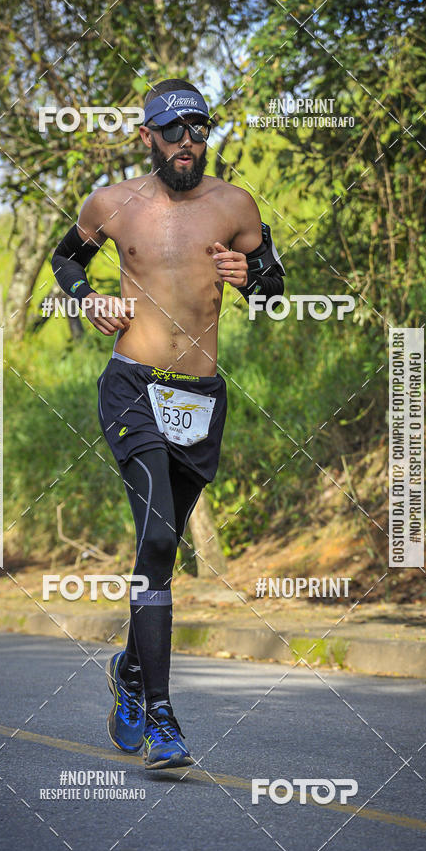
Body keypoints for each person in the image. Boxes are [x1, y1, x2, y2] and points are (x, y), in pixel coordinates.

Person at [51, 79, 284, 770]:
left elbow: (273, 284)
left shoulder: (235, 205)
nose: (188, 141)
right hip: (133, 386)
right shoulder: (111, 203)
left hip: (200, 398)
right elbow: (66, 258)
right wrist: (89, 298)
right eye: (174, 130)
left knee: (161, 552)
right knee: (155, 537)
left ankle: (129, 668)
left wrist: (251, 276)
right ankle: (163, 719)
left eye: (199, 129)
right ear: (147, 136)